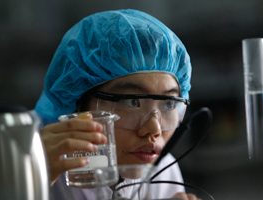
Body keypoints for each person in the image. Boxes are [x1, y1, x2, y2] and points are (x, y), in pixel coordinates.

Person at [35, 9, 199, 200]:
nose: (154, 130)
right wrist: (29, 179)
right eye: (132, 102)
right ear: (78, 104)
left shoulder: (161, 168)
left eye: (169, 104)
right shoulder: (26, 153)